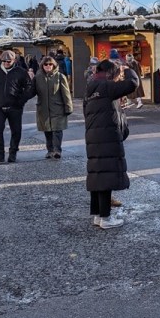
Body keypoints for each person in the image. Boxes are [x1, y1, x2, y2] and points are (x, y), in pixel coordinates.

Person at [84, 59, 139, 228]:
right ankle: (106, 218)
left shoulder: (92, 87)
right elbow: (132, 84)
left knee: (98, 174)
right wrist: (128, 69)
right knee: (106, 176)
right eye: (117, 74)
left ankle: (97, 215)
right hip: (106, 136)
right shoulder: (106, 87)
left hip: (94, 136)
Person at [0, 50, 33, 165]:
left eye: (8, 61)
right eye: (4, 61)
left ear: (14, 60)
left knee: (16, 130)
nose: (6, 63)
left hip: (15, 106)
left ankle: (13, 152)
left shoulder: (20, 72)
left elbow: (29, 88)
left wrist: (21, 100)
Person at [30, 55, 73, 159]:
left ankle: (57, 150)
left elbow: (66, 94)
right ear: (42, 65)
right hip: (43, 108)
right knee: (47, 130)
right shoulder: (38, 77)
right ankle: (50, 150)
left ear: (54, 65)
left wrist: (68, 107)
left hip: (57, 108)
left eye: (50, 64)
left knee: (57, 130)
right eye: (46, 64)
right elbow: (31, 92)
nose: (48, 66)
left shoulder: (60, 76)